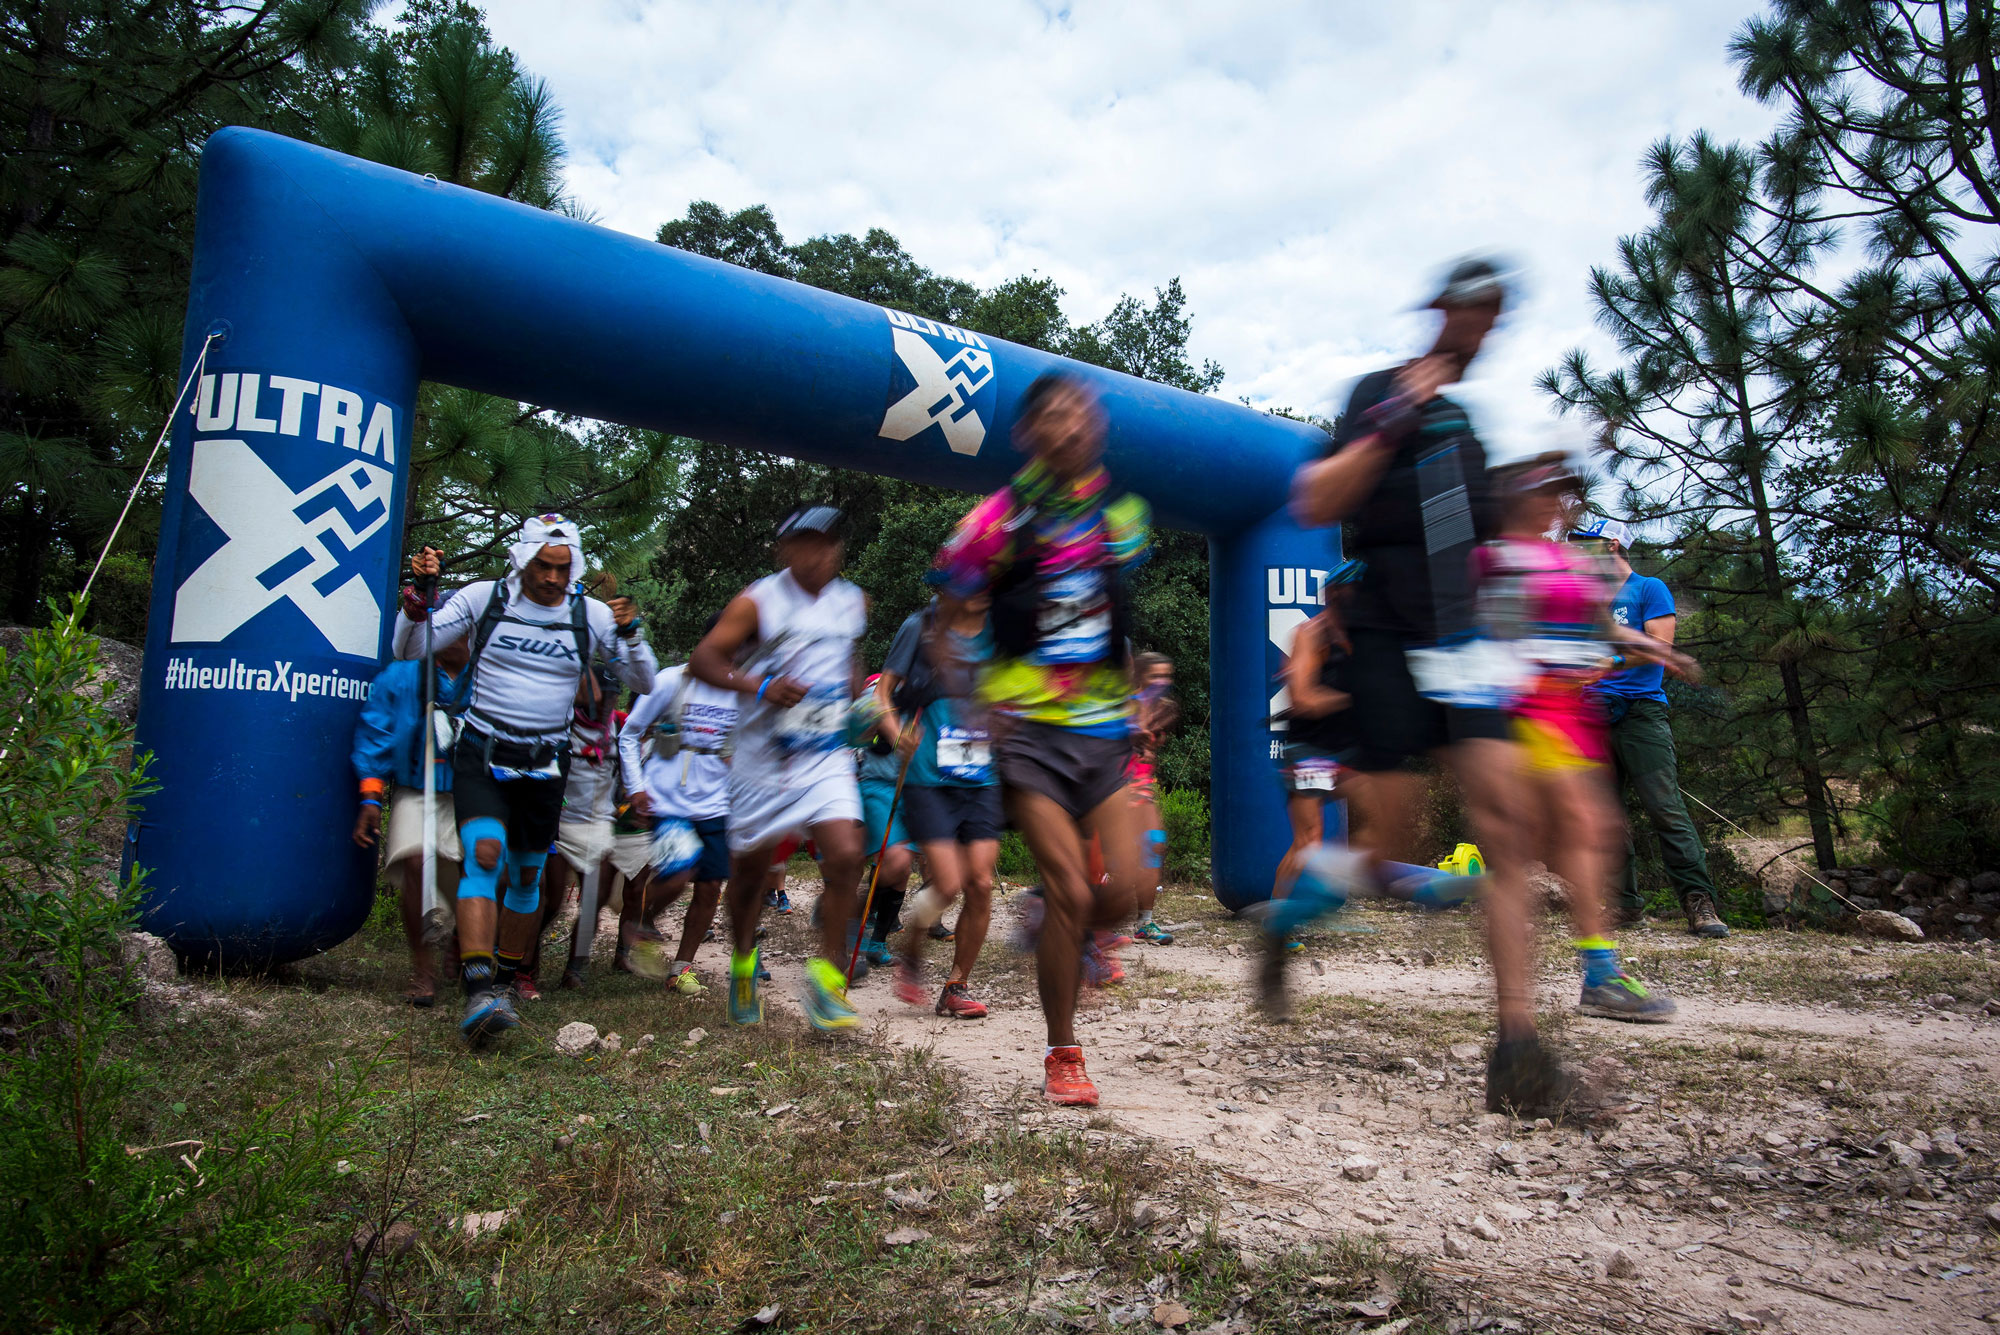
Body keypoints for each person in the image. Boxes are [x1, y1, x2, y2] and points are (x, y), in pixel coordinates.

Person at [1286, 258, 1567, 1113]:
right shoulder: (1378, 391)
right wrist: (1392, 419)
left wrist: (1535, 497)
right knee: (1392, 843)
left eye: (1496, 317)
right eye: (1474, 311)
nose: (1483, 329)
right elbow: (1314, 500)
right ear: (1441, 310)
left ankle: (1517, 1045)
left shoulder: (1468, 430)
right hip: (1385, 637)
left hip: (1464, 643)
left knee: (1508, 830)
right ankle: (1316, 887)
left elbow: (1492, 541)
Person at [932, 371, 1154, 1107]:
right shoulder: (995, 522)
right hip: (1029, 736)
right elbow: (944, 622)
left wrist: (1135, 698)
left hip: (1103, 737)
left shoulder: (1122, 517)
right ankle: (1064, 1053)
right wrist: (972, 703)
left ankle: (1059, 924)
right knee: (1067, 887)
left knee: (1131, 891)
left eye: (1083, 414)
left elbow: (1111, 620)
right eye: (1055, 415)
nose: (1073, 426)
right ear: (1029, 432)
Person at [396, 514, 657, 1044]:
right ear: (523, 560)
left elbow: (644, 680)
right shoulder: (484, 598)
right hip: (483, 751)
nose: (554, 578)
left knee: (526, 877)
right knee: (484, 854)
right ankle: (478, 989)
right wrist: (416, 604)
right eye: (544, 566)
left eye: (564, 568)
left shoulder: (590, 615)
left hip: (546, 763)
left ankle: (505, 981)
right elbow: (411, 648)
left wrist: (630, 634)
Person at [1473, 456, 1687, 1028]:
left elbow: (1598, 624)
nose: (1557, 504)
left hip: (1573, 717)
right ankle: (1589, 979)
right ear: (1514, 499)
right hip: (1526, 714)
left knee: (1581, 840)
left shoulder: (1560, 559)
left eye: (1560, 494)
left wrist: (1654, 648)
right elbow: (1492, 635)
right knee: (1577, 832)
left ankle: (1591, 974)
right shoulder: (1494, 559)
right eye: (1544, 493)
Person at [688, 506, 870, 1031]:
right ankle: (744, 962)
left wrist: (859, 698)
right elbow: (705, 659)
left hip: (823, 755)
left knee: (846, 855)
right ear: (785, 549)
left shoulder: (851, 601)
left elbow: (846, 658)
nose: (820, 554)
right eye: (807, 543)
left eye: (829, 543)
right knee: (750, 878)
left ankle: (827, 981)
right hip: (761, 762)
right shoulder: (758, 601)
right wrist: (761, 686)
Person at [1567, 517, 1729, 939]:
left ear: (1612, 545)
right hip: (1592, 714)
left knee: (1665, 808)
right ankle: (1623, 904)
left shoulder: (1648, 588)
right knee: (1604, 815)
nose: (1578, 551)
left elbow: (1660, 647)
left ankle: (1700, 903)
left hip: (1641, 713)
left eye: (1585, 543)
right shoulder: (1586, 599)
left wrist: (1612, 662)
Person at [877, 593, 1002, 1019]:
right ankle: (912, 947)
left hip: (982, 778)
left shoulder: (1002, 629)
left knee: (980, 883)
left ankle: (956, 985)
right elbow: (882, 693)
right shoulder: (922, 625)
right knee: (947, 884)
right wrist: (895, 733)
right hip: (928, 777)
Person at [351, 627, 470, 1008]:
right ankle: (423, 969)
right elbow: (376, 732)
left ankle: (462, 941)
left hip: (471, 792)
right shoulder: (402, 677)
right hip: (416, 788)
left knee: (471, 875)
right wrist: (371, 796)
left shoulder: (489, 675)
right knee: (417, 862)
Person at [620, 642, 742, 995]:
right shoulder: (671, 681)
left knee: (709, 888)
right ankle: (642, 924)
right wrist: (636, 788)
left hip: (717, 803)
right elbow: (630, 733)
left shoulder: (740, 690)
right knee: (677, 875)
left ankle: (681, 969)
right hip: (667, 799)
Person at [1270, 560, 1364, 921]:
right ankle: (1277, 918)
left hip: (1344, 749)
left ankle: (1326, 893)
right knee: (1308, 841)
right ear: (1336, 594)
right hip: (1308, 752)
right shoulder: (1311, 634)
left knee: (1386, 803)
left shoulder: (1363, 635)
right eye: (1358, 590)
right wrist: (1356, 698)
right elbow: (1303, 699)